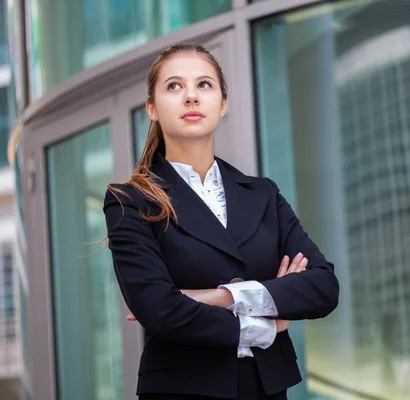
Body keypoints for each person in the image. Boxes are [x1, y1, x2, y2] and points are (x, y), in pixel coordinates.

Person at [103, 42, 339, 400]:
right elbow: (160, 311)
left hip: (266, 389)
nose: (191, 98)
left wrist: (221, 295)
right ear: (151, 108)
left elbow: (322, 286)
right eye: (174, 86)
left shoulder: (262, 193)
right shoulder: (130, 200)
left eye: (204, 85)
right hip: (184, 390)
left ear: (223, 104)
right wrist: (267, 322)